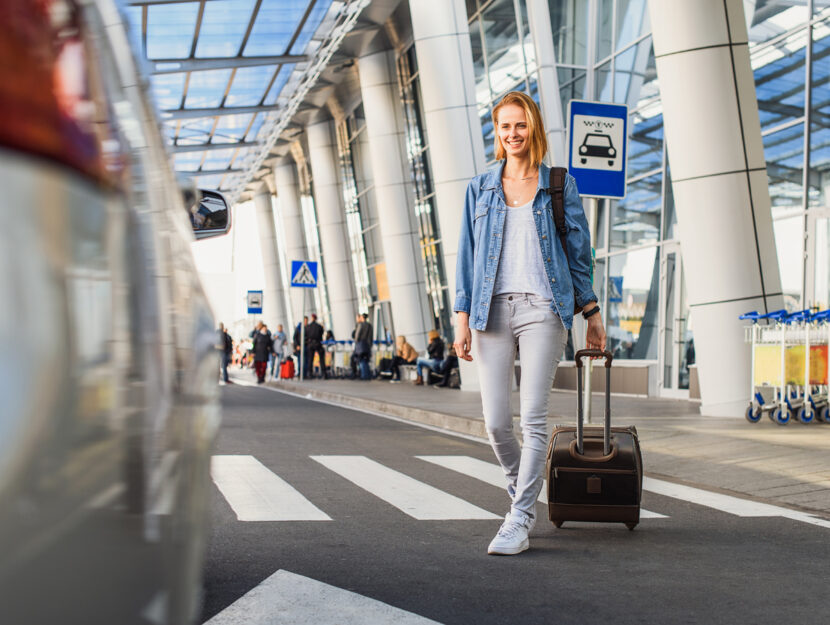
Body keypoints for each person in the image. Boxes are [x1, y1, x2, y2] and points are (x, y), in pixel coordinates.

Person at [453, 91, 606, 556]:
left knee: (533, 418)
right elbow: (466, 258)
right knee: (497, 422)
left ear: (533, 128)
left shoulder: (559, 185)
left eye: (520, 125)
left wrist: (592, 313)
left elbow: (580, 256)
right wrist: (461, 320)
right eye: (505, 127)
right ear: (496, 133)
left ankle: (519, 517)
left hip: (544, 308)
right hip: (490, 312)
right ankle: (520, 489)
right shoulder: (479, 188)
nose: (513, 134)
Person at [304, 313, 327, 379]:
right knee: (321, 359)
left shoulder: (308, 327)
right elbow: (321, 334)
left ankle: (310, 373)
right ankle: (324, 374)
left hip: (311, 344)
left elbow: (306, 335)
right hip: (318, 343)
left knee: (310, 359)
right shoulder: (319, 326)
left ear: (312, 318)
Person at [353, 313, 373, 380]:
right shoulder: (369, 325)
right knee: (366, 359)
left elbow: (357, 335)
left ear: (362, 317)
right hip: (367, 344)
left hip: (361, 344)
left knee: (361, 359)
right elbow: (370, 336)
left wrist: (356, 341)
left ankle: (364, 375)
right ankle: (367, 374)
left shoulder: (360, 325)